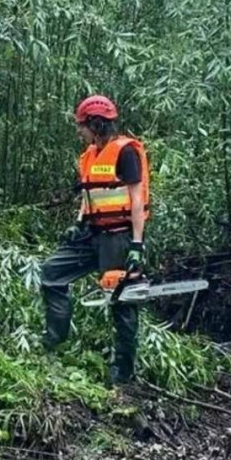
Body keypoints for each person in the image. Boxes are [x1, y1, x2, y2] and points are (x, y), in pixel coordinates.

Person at [39, 94, 150, 385]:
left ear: (96, 124)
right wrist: (78, 224)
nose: (79, 131)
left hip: (119, 237)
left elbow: (136, 198)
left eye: (82, 125)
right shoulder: (90, 154)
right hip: (92, 234)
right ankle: (53, 340)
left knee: (121, 299)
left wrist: (137, 245)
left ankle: (123, 373)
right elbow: (90, 195)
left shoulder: (125, 152)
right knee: (52, 272)